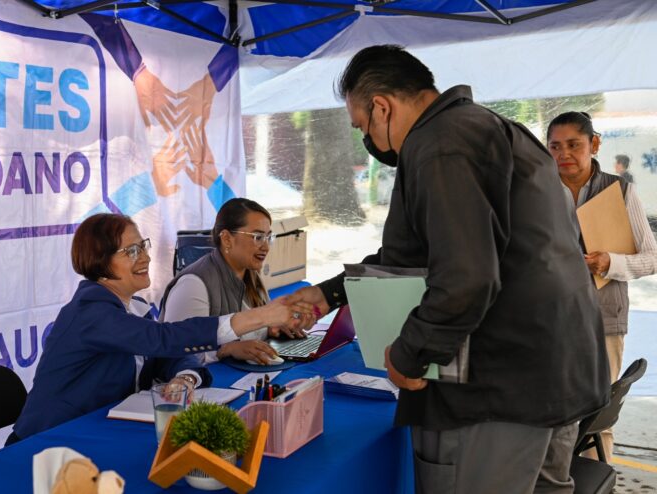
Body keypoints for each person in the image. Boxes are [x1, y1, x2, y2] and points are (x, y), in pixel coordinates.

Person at [288, 45, 609, 493]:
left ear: (382, 106)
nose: (370, 141)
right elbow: (425, 253)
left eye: (363, 126)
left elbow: (465, 278)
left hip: (498, 389)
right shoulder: (490, 127)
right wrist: (329, 294)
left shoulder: (440, 144)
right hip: (553, 370)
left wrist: (409, 353)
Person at [8, 213, 307, 443]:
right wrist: (261, 317)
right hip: (45, 444)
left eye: (143, 246)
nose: (147, 257)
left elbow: (167, 354)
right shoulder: (91, 311)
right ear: (100, 262)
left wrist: (186, 378)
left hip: (98, 432)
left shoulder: (134, 306)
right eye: (132, 251)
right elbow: (164, 338)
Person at [547, 112, 657, 461]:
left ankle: (597, 482)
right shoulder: (539, 192)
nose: (564, 154)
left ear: (594, 144)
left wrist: (611, 262)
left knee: (596, 419)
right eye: (555, 146)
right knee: (550, 412)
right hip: (549, 319)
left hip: (603, 320)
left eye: (574, 145)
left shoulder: (620, 190)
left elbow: (652, 257)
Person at [160, 198, 313, 365]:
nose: (266, 247)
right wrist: (226, 350)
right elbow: (176, 350)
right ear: (226, 238)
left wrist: (271, 328)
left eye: (269, 237)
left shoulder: (251, 275)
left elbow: (248, 327)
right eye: (257, 237)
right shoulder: (193, 284)